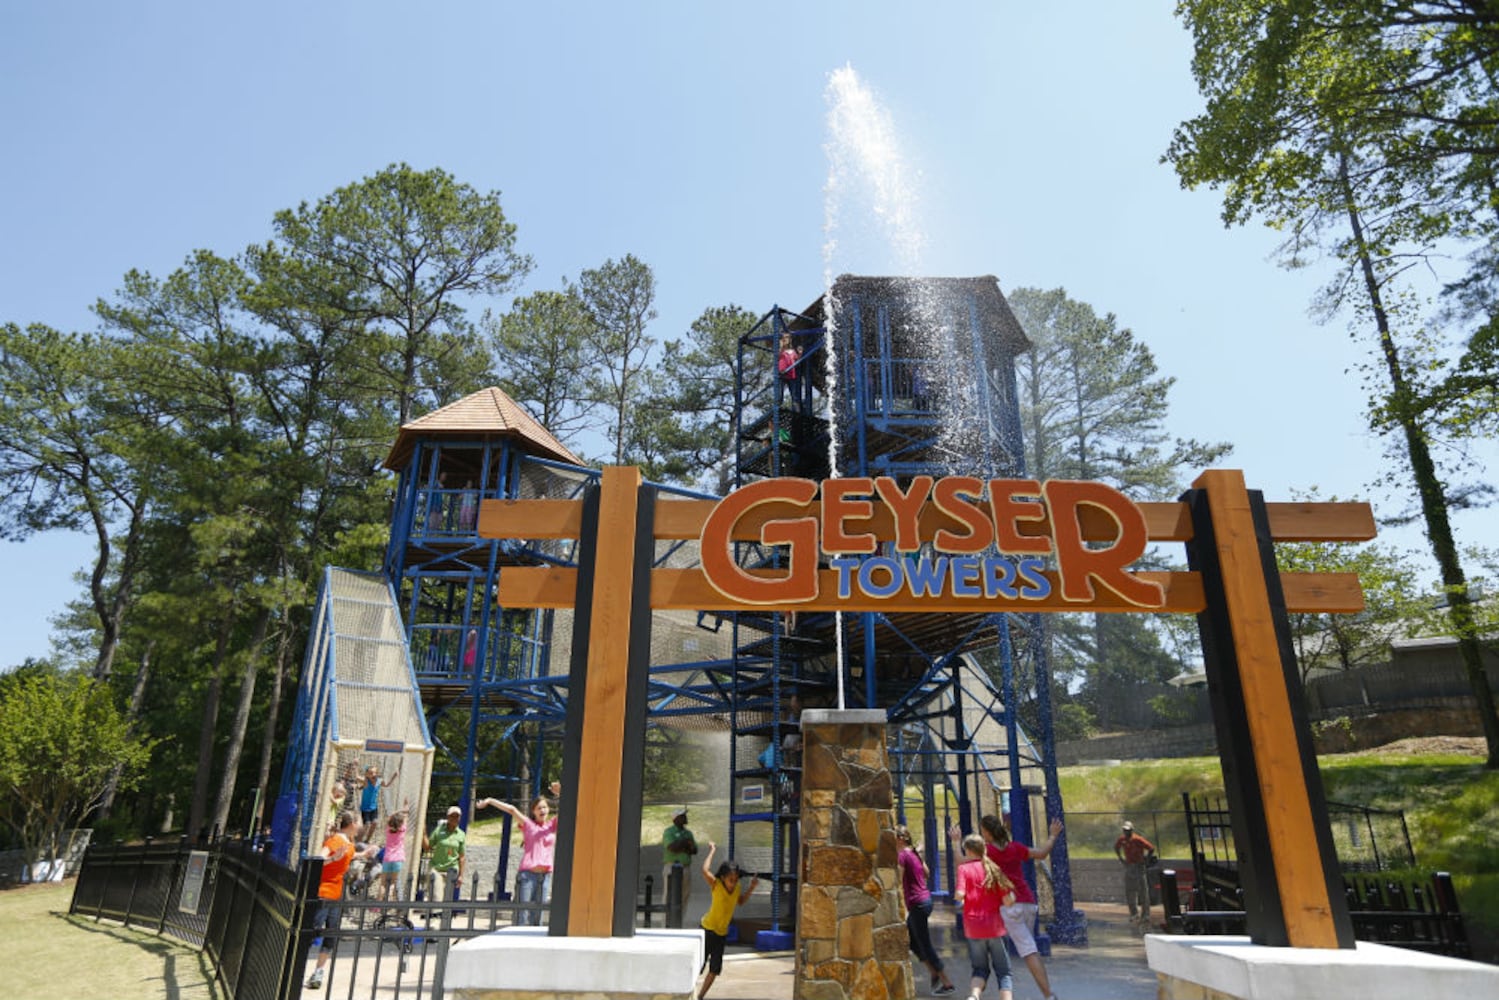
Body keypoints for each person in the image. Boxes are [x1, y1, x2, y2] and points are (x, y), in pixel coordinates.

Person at [978, 814, 1063, 1000]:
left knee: (1029, 951)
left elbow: (964, 862)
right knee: (1026, 946)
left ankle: (1049, 995)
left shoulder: (987, 851)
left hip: (1010, 906)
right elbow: (1041, 853)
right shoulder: (1015, 848)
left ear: (986, 832)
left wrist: (956, 841)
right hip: (1028, 903)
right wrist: (1053, 836)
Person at [306, 810, 373, 990]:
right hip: (324, 892)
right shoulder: (334, 840)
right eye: (358, 823)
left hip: (336, 894)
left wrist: (364, 854)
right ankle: (296, 966)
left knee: (331, 934)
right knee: (312, 931)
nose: (360, 826)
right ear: (351, 824)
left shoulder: (348, 843)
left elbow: (349, 856)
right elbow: (319, 858)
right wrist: (332, 858)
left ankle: (318, 971)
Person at [478, 781, 561, 926]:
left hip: (545, 875)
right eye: (539, 808)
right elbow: (511, 809)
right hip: (528, 874)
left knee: (539, 912)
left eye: (545, 807)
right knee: (523, 912)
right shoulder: (528, 824)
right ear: (533, 811)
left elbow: (568, 809)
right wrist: (490, 801)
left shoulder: (551, 826)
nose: (542, 810)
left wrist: (560, 793)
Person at [952, 832, 1016, 1000]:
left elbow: (959, 894)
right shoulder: (993, 869)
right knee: (1004, 972)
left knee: (979, 969)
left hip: (973, 927)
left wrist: (963, 898)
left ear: (967, 850)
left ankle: (974, 996)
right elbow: (1008, 901)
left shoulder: (963, 869)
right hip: (995, 927)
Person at [896, 825, 955, 996]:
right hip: (925, 901)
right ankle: (933, 972)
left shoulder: (902, 855)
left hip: (917, 903)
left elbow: (897, 881)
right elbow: (927, 874)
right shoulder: (913, 853)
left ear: (900, 838)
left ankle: (947, 982)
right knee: (912, 941)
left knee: (925, 944)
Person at [696, 841, 759, 1000]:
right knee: (698, 965)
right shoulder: (716, 884)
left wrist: (751, 888)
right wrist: (712, 850)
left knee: (715, 968)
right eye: (731, 879)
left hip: (721, 933)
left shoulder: (736, 888)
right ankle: (688, 992)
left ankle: (700, 996)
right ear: (723, 877)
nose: (733, 882)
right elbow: (704, 870)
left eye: (736, 879)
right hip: (707, 929)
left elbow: (741, 901)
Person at [1115, 820, 1156, 928]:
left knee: (1143, 890)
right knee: (1129, 890)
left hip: (1139, 865)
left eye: (1128, 830)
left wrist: (1146, 860)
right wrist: (1121, 859)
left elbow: (1151, 848)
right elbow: (1116, 847)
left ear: (1131, 830)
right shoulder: (1122, 839)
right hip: (1129, 866)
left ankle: (1145, 915)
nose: (1126, 832)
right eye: (1124, 830)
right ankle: (1134, 913)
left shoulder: (1137, 839)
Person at [424, 805, 467, 904]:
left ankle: (443, 917)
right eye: (452, 816)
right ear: (448, 817)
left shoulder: (461, 834)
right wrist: (423, 834)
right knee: (436, 895)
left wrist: (461, 875)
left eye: (457, 816)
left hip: (452, 869)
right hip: (436, 868)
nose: (454, 819)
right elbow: (428, 847)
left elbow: (462, 856)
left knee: (447, 898)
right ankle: (435, 915)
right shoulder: (439, 830)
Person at [662, 807, 698, 915]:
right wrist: (685, 844)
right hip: (671, 867)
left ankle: (680, 922)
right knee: (669, 895)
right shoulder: (669, 832)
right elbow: (671, 847)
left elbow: (694, 850)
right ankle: (665, 923)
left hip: (686, 867)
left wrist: (682, 845)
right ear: (676, 819)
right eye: (682, 816)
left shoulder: (689, 833)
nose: (685, 817)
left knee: (684, 895)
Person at [377, 804, 411, 905]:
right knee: (392, 883)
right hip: (398, 859)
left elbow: (390, 816)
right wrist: (405, 810)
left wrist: (399, 809)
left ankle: (377, 905)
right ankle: (389, 903)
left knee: (382, 883)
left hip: (387, 858)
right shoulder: (402, 830)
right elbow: (406, 818)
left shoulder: (388, 830)